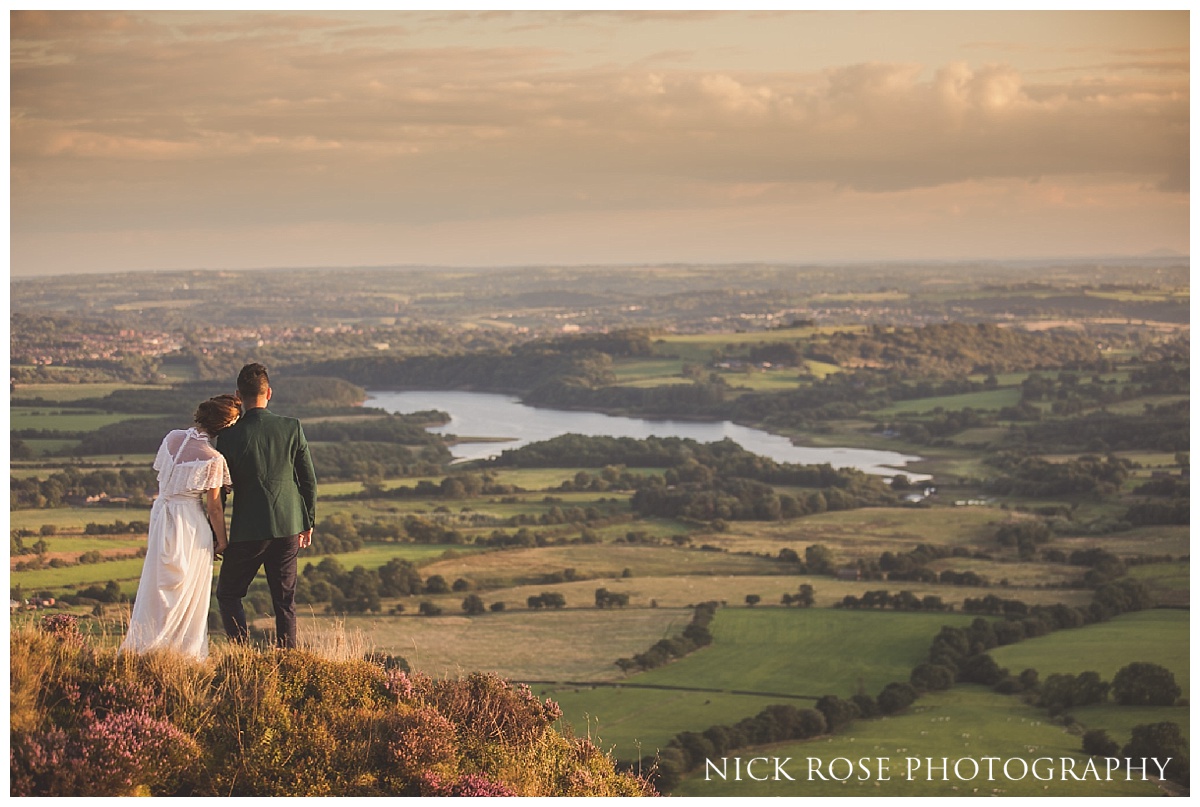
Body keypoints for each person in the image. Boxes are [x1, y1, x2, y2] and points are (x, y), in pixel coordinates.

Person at [120, 394, 241, 661]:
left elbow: (162, 476)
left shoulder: (172, 438)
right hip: (189, 522)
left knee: (158, 580)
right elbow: (215, 508)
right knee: (188, 586)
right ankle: (183, 653)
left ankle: (146, 644)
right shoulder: (213, 459)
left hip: (162, 514)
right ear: (223, 426)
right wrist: (221, 540)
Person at [215, 363, 317, 649]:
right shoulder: (291, 427)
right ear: (269, 393)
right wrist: (307, 522)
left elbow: (219, 492)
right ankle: (288, 661)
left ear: (239, 395)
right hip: (288, 526)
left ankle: (243, 655)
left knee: (228, 594)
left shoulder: (228, 437)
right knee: (285, 601)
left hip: (248, 530)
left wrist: (217, 535)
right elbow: (308, 479)